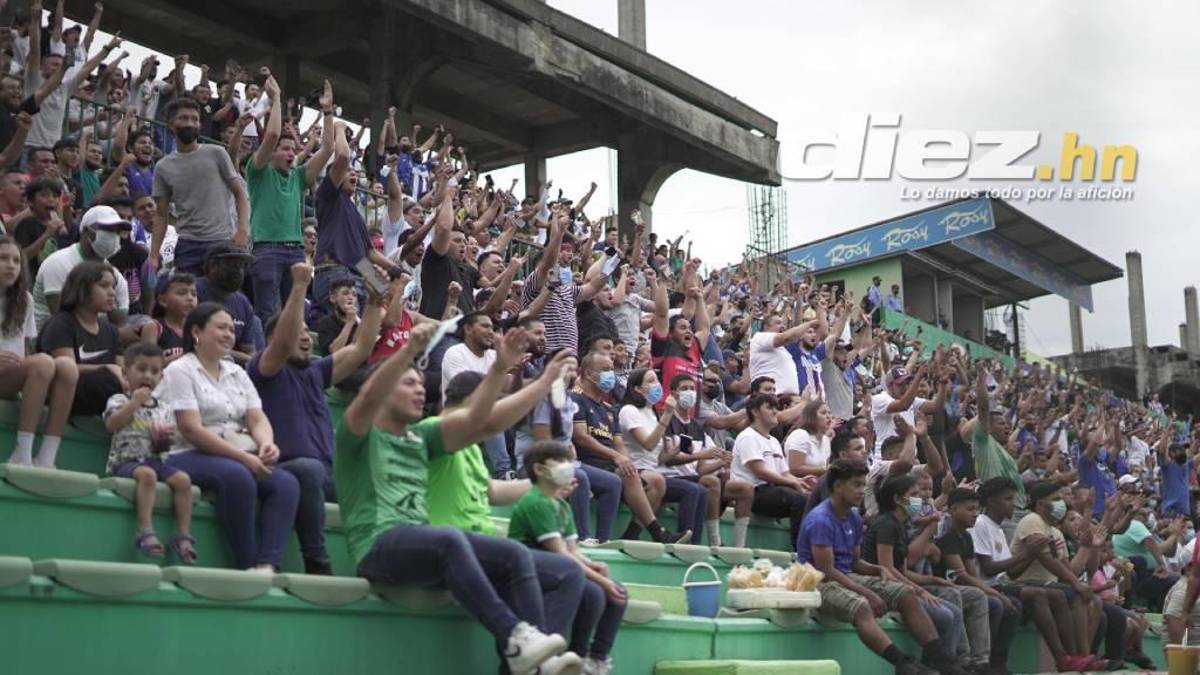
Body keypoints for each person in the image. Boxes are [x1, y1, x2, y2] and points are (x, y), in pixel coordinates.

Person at [334, 319, 578, 674]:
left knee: (514, 556)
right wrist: (407, 351)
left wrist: (519, 375)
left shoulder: (420, 438)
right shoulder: (356, 436)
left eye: (422, 384)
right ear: (385, 389)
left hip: (422, 547)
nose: (420, 391)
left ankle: (535, 662)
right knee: (449, 539)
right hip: (378, 547)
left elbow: (483, 423)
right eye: (408, 383)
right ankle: (514, 636)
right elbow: (369, 395)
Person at [248, 263, 382, 575]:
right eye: (299, 333)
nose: (307, 338)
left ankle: (381, 565)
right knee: (307, 470)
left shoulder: (315, 371)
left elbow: (362, 347)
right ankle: (317, 560)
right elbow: (283, 344)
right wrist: (299, 286)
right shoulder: (263, 369)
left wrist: (375, 301)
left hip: (330, 474)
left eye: (308, 333)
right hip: (287, 470)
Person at [159, 302, 300, 571]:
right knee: (238, 477)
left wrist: (266, 443)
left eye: (231, 329)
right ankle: (246, 565)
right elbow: (190, 429)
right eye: (221, 328)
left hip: (233, 453)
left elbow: (256, 417)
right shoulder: (180, 370)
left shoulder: (237, 372)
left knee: (286, 484)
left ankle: (267, 565)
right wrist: (243, 459)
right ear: (197, 332)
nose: (229, 334)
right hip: (183, 452)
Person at [796, 459, 954, 675]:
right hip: (817, 582)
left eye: (863, 484)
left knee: (906, 593)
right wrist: (868, 592)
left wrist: (877, 569)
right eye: (856, 484)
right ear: (838, 486)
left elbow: (855, 562)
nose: (862, 490)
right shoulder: (821, 519)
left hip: (845, 575)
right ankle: (903, 664)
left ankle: (942, 662)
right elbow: (827, 571)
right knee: (861, 606)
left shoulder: (853, 516)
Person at [512, 441, 627, 675]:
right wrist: (601, 580)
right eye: (559, 461)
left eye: (567, 460)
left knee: (617, 593)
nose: (567, 466)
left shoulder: (562, 506)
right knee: (595, 592)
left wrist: (594, 565)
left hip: (560, 568)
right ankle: (560, 656)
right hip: (530, 568)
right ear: (539, 469)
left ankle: (591, 660)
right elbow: (560, 553)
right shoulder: (536, 502)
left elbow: (573, 551)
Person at [571, 352, 688, 545]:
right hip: (587, 460)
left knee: (646, 478)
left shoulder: (609, 409)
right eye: (606, 370)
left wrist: (625, 459)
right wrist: (616, 457)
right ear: (590, 374)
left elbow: (618, 443)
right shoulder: (576, 399)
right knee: (627, 477)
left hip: (610, 464)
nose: (611, 375)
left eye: (612, 370)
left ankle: (629, 535)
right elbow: (581, 437)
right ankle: (657, 532)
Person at [245, 77, 335, 322]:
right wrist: (276, 98)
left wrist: (327, 112)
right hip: (266, 249)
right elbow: (273, 133)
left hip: (295, 251)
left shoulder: (298, 176)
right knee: (268, 315)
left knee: (294, 318)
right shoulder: (258, 171)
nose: (291, 153)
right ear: (270, 152)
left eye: (293, 150)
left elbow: (328, 149)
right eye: (284, 149)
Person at [514, 349, 622, 545]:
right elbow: (544, 445)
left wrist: (569, 448)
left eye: (573, 369)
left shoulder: (566, 398)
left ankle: (603, 540)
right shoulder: (542, 397)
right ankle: (582, 537)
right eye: (566, 368)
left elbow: (564, 437)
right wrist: (566, 455)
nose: (571, 374)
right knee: (578, 477)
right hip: (536, 464)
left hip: (562, 460)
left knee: (612, 482)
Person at [103, 342, 196, 564]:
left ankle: (183, 535)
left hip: (156, 460)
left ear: (161, 378)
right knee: (147, 475)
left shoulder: (163, 407)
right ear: (125, 373)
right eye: (141, 369)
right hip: (125, 461)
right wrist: (134, 403)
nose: (148, 376)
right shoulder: (119, 400)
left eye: (154, 371)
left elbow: (168, 443)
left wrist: (166, 439)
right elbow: (112, 424)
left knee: (184, 481)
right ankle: (145, 530)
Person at [863, 475, 966, 668]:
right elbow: (886, 568)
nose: (920, 499)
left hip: (899, 582)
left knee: (955, 613)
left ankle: (943, 667)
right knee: (945, 616)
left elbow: (902, 571)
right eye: (914, 494)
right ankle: (941, 667)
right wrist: (919, 591)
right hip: (881, 584)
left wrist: (931, 580)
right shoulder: (886, 524)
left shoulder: (900, 525)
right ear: (897, 499)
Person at [1009, 481, 1107, 672]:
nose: (1060, 503)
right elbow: (1045, 558)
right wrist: (1076, 584)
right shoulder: (1032, 520)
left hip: (1050, 584)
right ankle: (1076, 657)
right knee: (1076, 594)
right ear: (1040, 504)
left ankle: (1084, 657)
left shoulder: (1054, 531)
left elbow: (1067, 569)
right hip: (1027, 582)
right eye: (1055, 499)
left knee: (1093, 601)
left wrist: (1087, 548)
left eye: (1061, 499)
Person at [0, 235, 77, 466]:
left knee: (66, 367)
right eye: (3, 258)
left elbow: (24, 349)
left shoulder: (25, 300)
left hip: (9, 377)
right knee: (43, 362)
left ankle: (46, 457)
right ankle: (22, 454)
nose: (11, 265)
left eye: (16, 260)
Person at [151, 97, 250, 275]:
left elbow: (240, 193)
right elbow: (160, 215)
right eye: (184, 118)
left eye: (195, 119)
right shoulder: (162, 167)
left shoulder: (217, 153)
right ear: (171, 124)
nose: (190, 123)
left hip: (222, 241)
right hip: (187, 245)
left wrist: (243, 230)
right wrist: (153, 254)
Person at [662, 373, 753, 549]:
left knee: (727, 479)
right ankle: (714, 540)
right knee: (711, 482)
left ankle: (730, 544)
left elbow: (700, 470)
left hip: (693, 477)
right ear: (673, 393)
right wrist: (702, 455)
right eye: (684, 389)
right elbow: (669, 459)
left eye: (692, 388)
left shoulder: (696, 427)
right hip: (670, 476)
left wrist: (721, 461)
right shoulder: (667, 420)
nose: (689, 392)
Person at [935, 488, 1020, 675]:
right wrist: (996, 594)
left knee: (999, 604)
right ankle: (972, 659)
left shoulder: (966, 536)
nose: (975, 514)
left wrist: (994, 593)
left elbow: (972, 574)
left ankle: (986, 659)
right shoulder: (948, 536)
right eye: (970, 509)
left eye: (977, 509)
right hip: (946, 587)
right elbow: (962, 575)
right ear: (953, 510)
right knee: (993, 601)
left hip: (962, 587)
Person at [618, 368, 706, 545]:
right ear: (637, 389)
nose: (656, 385)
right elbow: (648, 444)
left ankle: (691, 543)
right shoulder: (629, 410)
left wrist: (677, 450)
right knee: (663, 482)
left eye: (657, 380)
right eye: (650, 381)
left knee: (700, 489)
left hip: (654, 470)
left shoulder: (652, 414)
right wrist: (667, 415)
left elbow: (660, 458)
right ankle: (656, 534)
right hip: (635, 469)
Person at [37, 259, 123, 422]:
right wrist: (106, 368)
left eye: (113, 286)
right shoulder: (61, 323)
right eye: (104, 286)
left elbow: (121, 369)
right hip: (70, 389)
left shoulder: (111, 330)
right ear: (82, 288)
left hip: (108, 389)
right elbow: (65, 369)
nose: (112, 292)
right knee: (99, 383)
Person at [31, 204, 131, 329]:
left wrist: (108, 293)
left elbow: (120, 323)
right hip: (50, 336)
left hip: (95, 334)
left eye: (117, 232)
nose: (113, 236)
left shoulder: (115, 276)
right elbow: (61, 320)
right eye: (107, 230)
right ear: (86, 231)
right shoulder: (59, 263)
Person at [731, 394, 811, 543]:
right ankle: (799, 549)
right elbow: (760, 471)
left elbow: (785, 473)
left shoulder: (773, 441)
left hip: (774, 490)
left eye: (776, 408)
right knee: (801, 500)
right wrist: (793, 482)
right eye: (769, 408)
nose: (775, 412)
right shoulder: (748, 436)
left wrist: (800, 481)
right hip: (754, 493)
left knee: (812, 498)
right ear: (755, 412)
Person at [871, 362, 947, 462]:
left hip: (910, 457)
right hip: (886, 460)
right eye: (900, 385)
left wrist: (943, 384)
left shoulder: (911, 400)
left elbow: (936, 406)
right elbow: (903, 405)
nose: (905, 388)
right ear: (889, 385)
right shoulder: (879, 399)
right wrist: (918, 377)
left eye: (907, 384)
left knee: (934, 468)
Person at [195, 243, 256, 362]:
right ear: (213, 266)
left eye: (242, 266)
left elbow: (249, 349)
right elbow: (195, 341)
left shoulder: (243, 302)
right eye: (233, 265)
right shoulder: (193, 291)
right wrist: (244, 358)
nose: (239, 271)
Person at [140, 272, 197, 365]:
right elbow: (147, 364)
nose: (190, 298)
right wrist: (183, 358)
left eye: (194, 294)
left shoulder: (198, 330)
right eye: (182, 293)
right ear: (163, 300)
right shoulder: (154, 327)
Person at [785, 399, 833, 479]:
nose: (829, 417)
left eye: (829, 413)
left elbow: (825, 468)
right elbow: (795, 469)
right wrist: (827, 469)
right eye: (823, 413)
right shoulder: (800, 434)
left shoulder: (826, 440)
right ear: (811, 416)